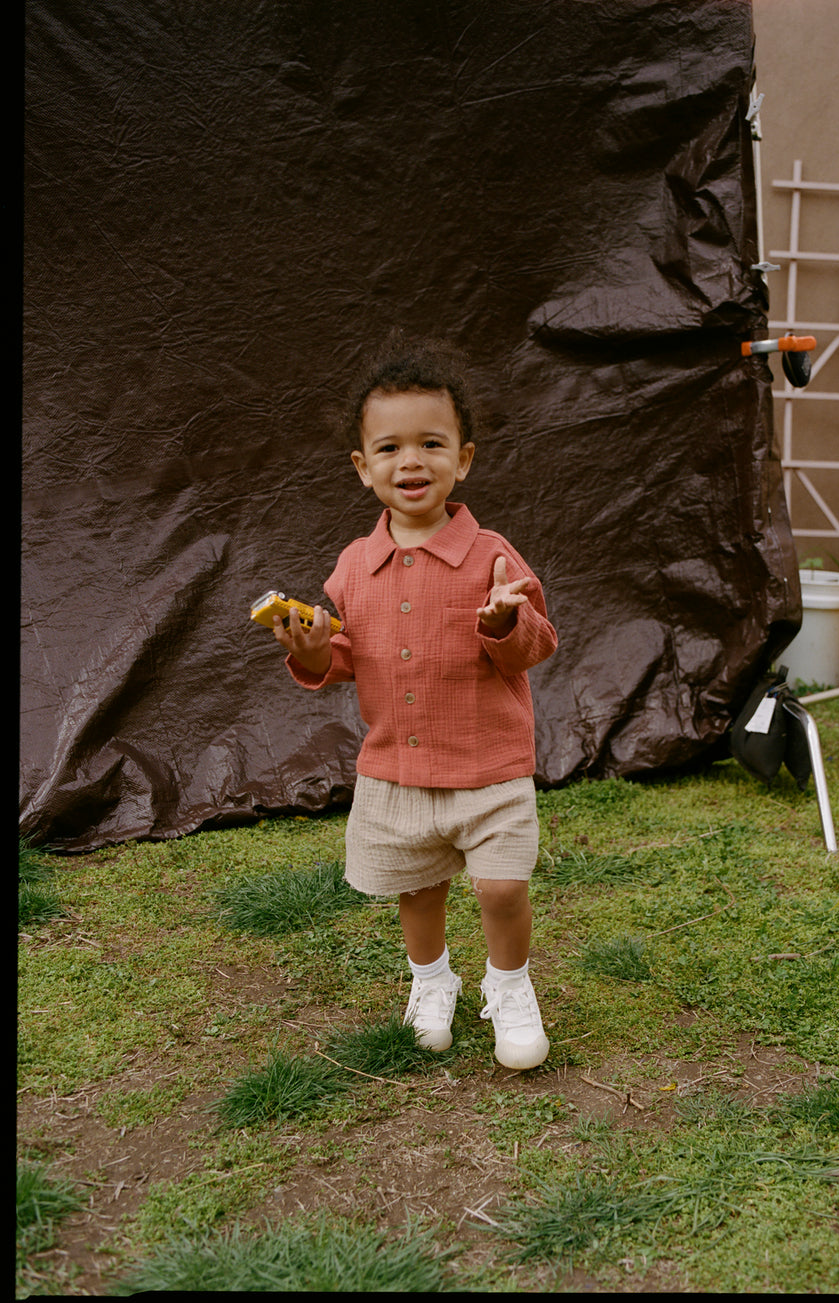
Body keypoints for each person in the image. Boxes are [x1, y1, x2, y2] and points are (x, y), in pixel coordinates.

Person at [271, 336, 558, 1071]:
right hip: (398, 767)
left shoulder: (491, 553)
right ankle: (432, 982)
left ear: (463, 457)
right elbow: (339, 654)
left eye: (432, 442)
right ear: (364, 467)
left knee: (500, 885)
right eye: (390, 447)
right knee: (419, 886)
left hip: (489, 764)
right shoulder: (352, 566)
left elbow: (536, 643)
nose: (412, 461)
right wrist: (308, 648)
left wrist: (502, 621)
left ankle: (510, 987)